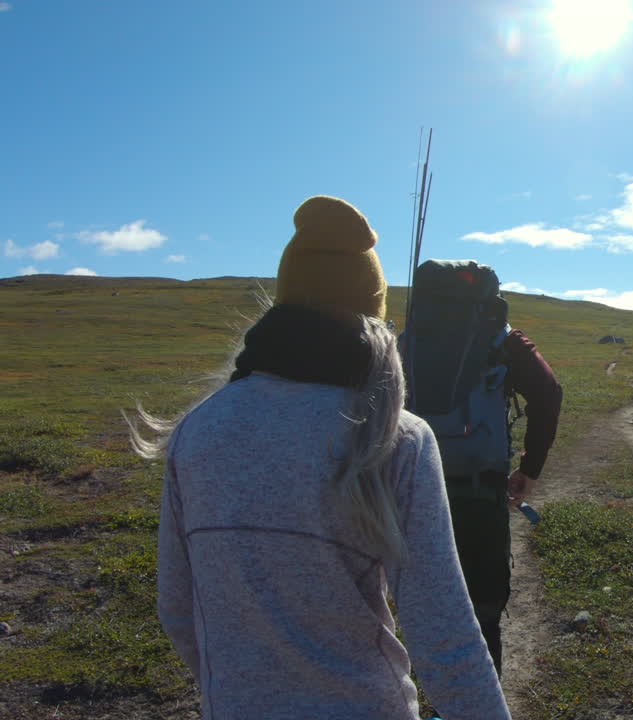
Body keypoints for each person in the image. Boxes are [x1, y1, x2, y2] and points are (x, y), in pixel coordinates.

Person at [128, 196, 510, 720]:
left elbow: (177, 608)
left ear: (282, 305)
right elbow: (444, 635)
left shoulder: (197, 429)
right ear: (372, 316)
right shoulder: (396, 437)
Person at [402, 261, 562, 676]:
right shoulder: (503, 339)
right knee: (483, 606)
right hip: (480, 487)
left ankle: (432, 695)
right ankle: (479, 700)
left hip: (410, 488)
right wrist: (530, 467)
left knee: (424, 601)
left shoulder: (406, 337)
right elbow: (549, 391)